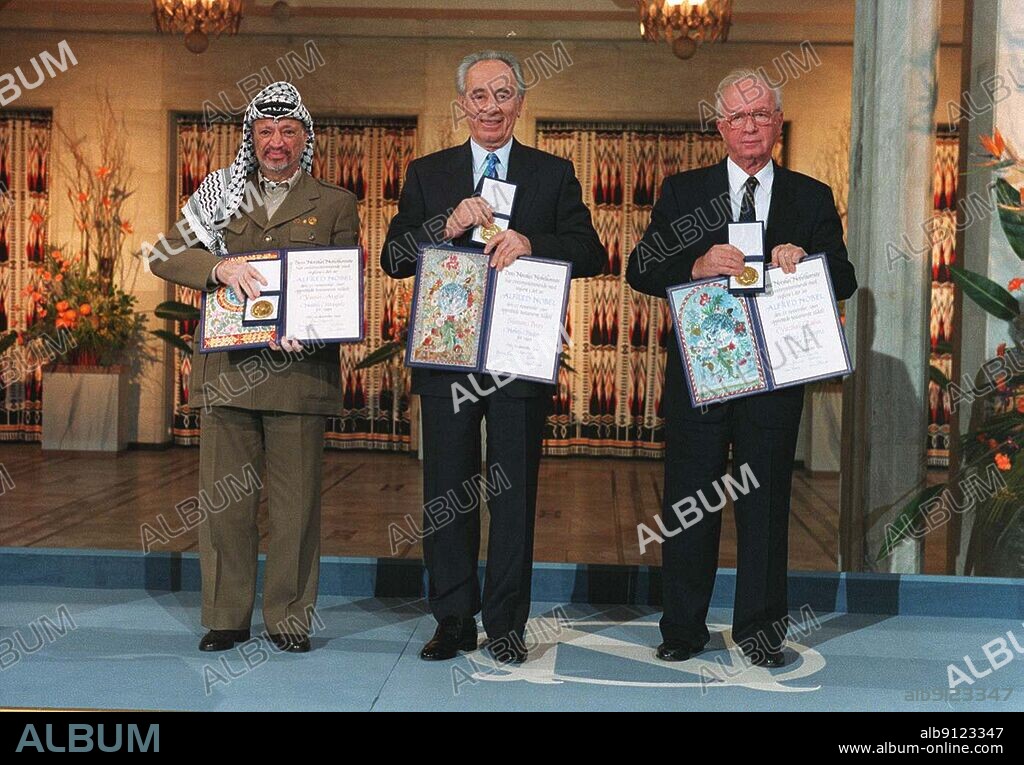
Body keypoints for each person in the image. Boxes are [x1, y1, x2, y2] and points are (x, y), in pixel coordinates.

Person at [626, 69, 857, 667]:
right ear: (720, 126)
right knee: (690, 503)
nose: (749, 126)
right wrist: (696, 263)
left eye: (760, 115)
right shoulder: (684, 191)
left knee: (767, 505)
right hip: (702, 374)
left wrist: (806, 259)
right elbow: (640, 268)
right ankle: (682, 630)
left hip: (775, 376)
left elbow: (845, 278)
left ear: (777, 123)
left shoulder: (810, 196)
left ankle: (761, 633)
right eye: (737, 116)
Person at [381, 51, 604, 663]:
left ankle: (506, 625)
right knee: (446, 491)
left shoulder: (552, 174)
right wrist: (446, 224)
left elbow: (592, 251)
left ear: (520, 103)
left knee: (513, 495)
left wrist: (533, 242)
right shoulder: (428, 174)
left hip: (518, 355)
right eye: (479, 96)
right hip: (447, 355)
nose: (491, 107)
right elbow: (394, 258)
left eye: (503, 94)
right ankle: (453, 620)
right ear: (462, 105)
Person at [150, 82, 359, 653]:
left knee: (296, 509)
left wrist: (312, 325)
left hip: (300, 375)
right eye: (265, 132)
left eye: (288, 131)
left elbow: (340, 286)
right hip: (228, 374)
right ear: (251, 137)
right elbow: (165, 255)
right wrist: (218, 269)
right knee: (224, 505)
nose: (276, 142)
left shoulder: (335, 203)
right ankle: (226, 616)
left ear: (305, 138)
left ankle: (289, 619)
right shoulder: (221, 193)